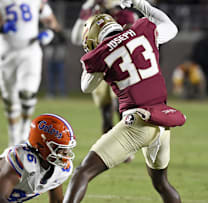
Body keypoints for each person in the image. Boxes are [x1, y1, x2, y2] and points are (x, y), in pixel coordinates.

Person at [64, 0, 186, 202]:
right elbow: (171, 27)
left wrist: (93, 54)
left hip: (137, 124)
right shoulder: (142, 31)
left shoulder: (100, 54)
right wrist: (140, 3)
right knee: (161, 184)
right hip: (162, 121)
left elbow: (86, 87)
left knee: (82, 173)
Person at [0, 0, 61, 146]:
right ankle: (13, 138)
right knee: (9, 100)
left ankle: (24, 132)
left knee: (27, 92)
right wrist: (1, 28)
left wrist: (50, 33)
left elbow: (53, 23)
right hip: (7, 54)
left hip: (30, 51)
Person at [71, 0, 137, 134]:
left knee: (121, 107)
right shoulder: (94, 17)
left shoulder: (127, 16)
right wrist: (84, 13)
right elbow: (76, 38)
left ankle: (126, 149)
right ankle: (108, 147)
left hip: (120, 67)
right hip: (101, 67)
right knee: (106, 111)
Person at [45, 31, 67, 98]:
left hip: (59, 59)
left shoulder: (60, 35)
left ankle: (62, 93)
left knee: (61, 77)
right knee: (51, 77)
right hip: (51, 59)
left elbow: (64, 41)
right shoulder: (49, 34)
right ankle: (51, 93)